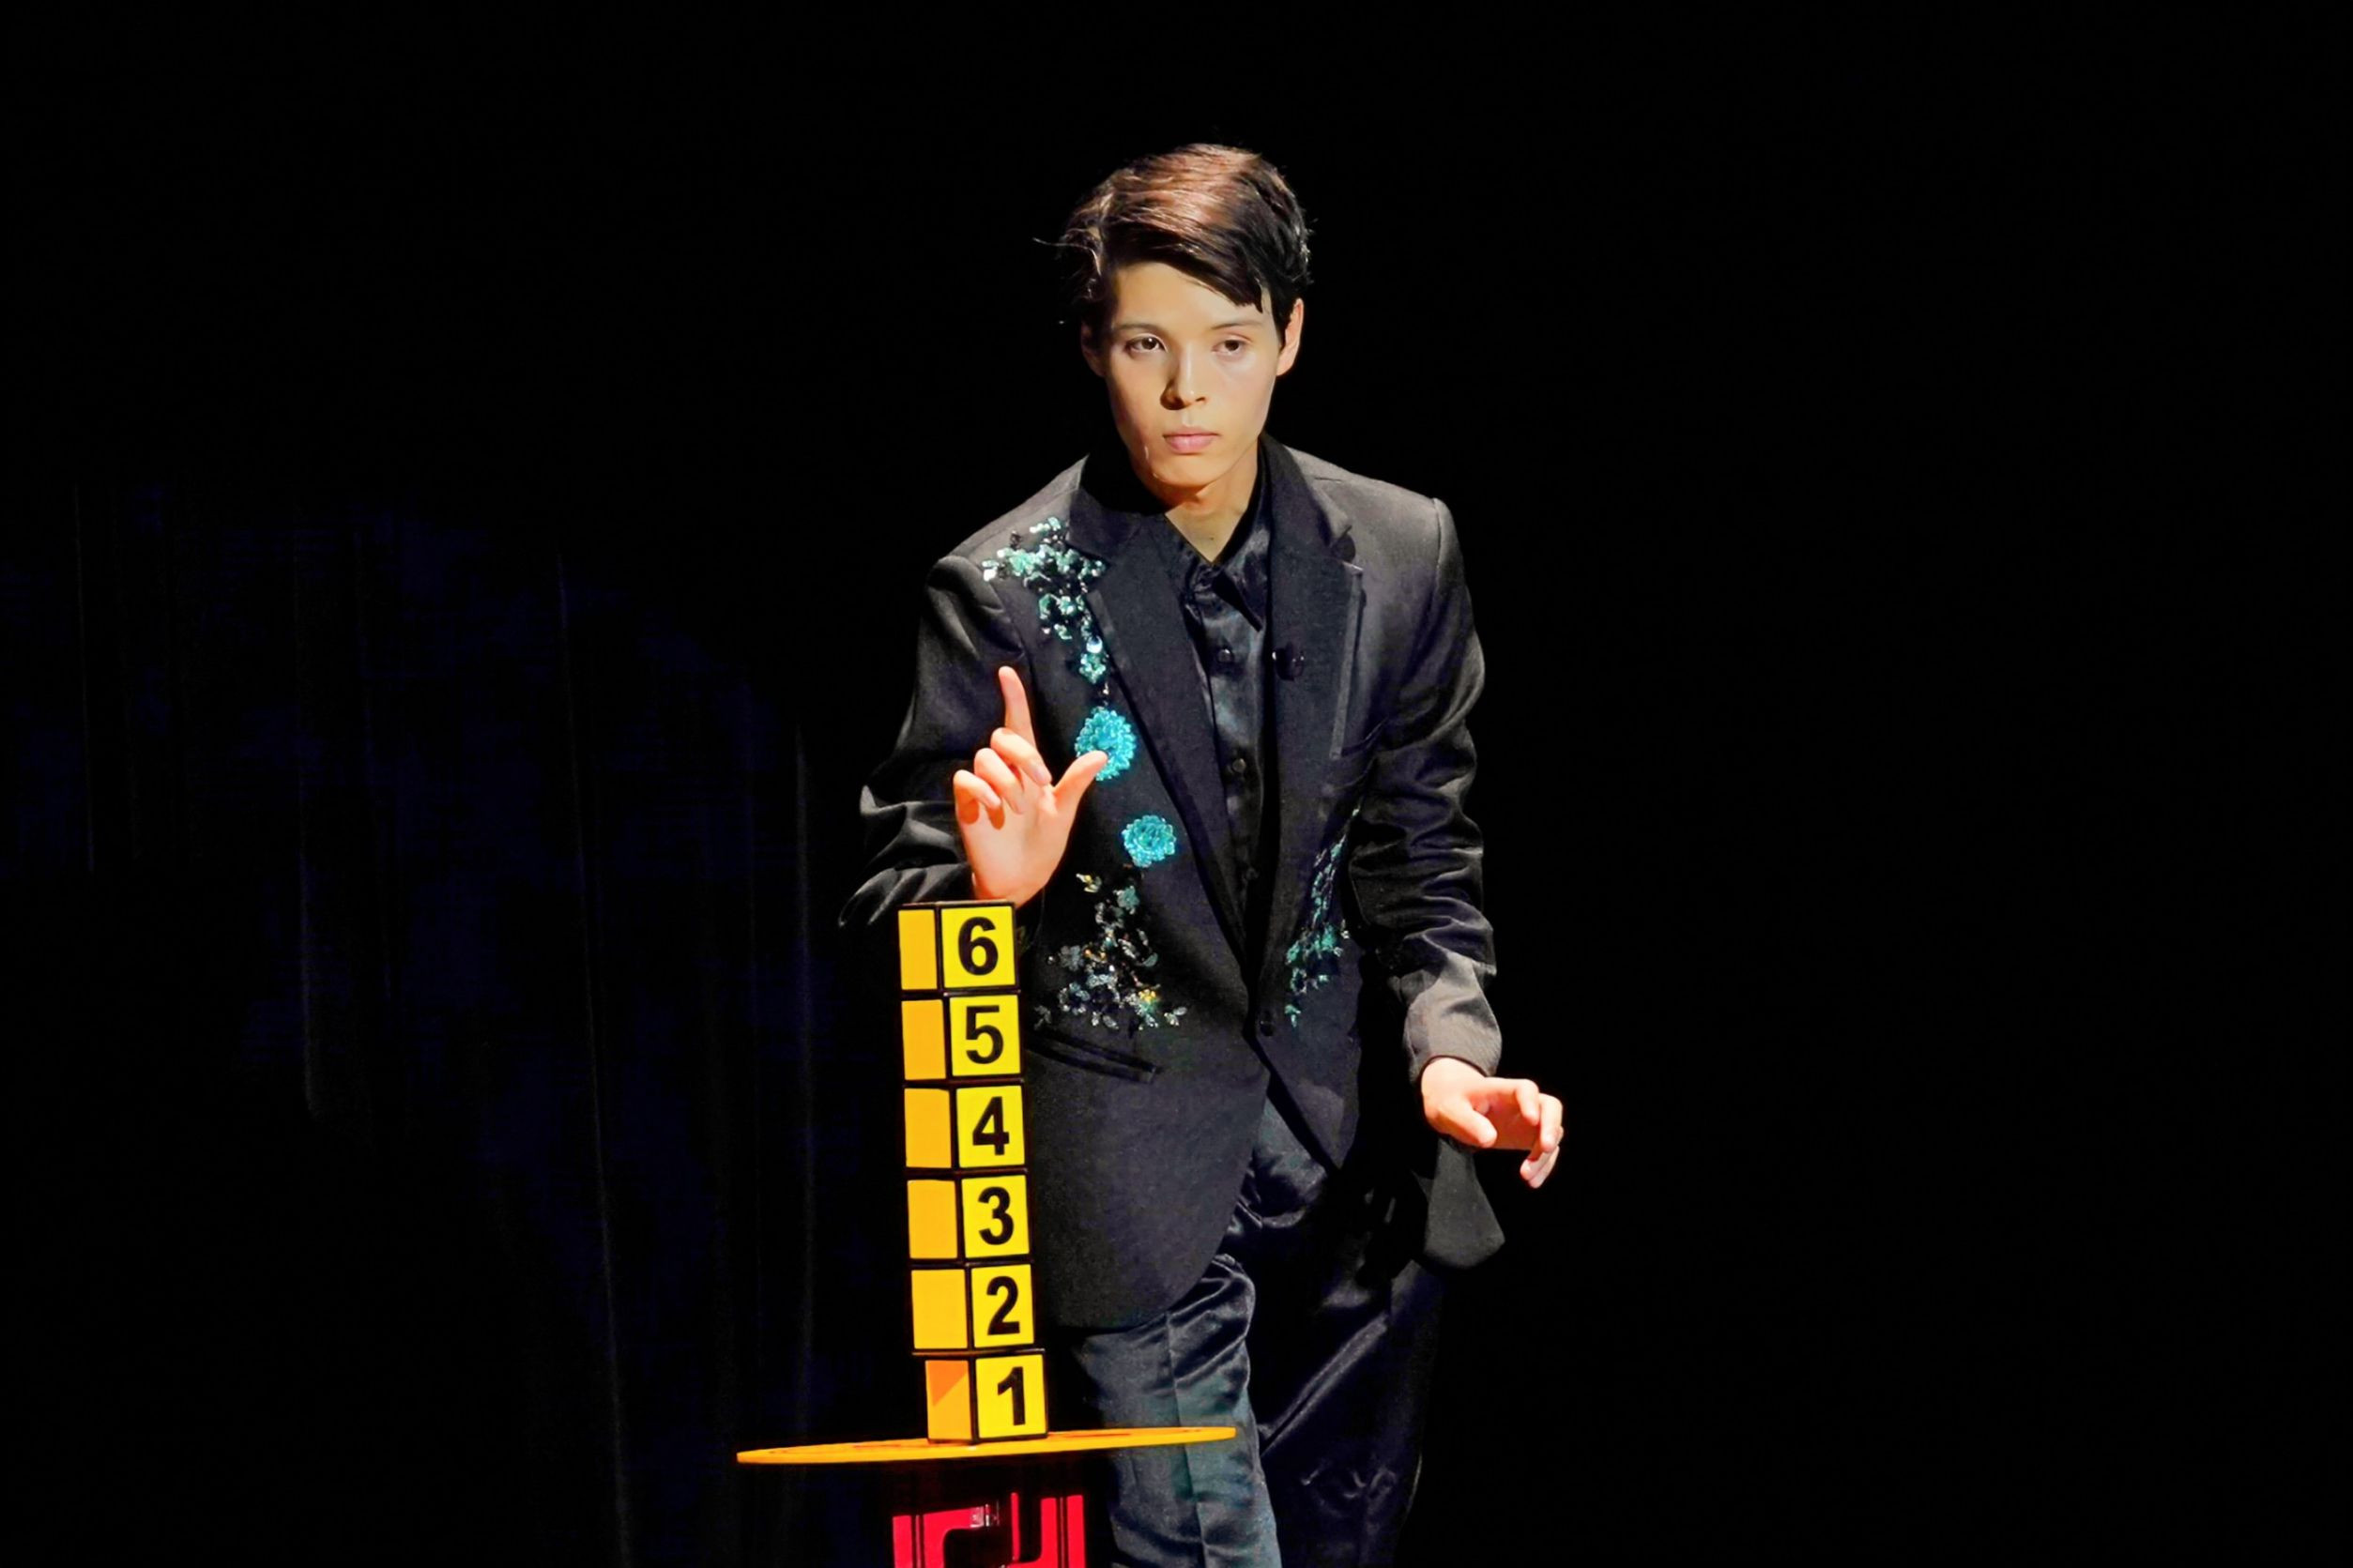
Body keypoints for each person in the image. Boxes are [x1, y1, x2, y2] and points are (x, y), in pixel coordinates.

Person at [842, 143, 1561, 1566]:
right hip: (1135, 1184)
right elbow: (890, 904)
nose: (1188, 391)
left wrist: (1451, 1052)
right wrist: (993, 893)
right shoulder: (1001, 593)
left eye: (1229, 343)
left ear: (1288, 337)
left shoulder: (1398, 551)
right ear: (1091, 347)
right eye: (1146, 345)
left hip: (1362, 1172)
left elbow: (1423, 855)